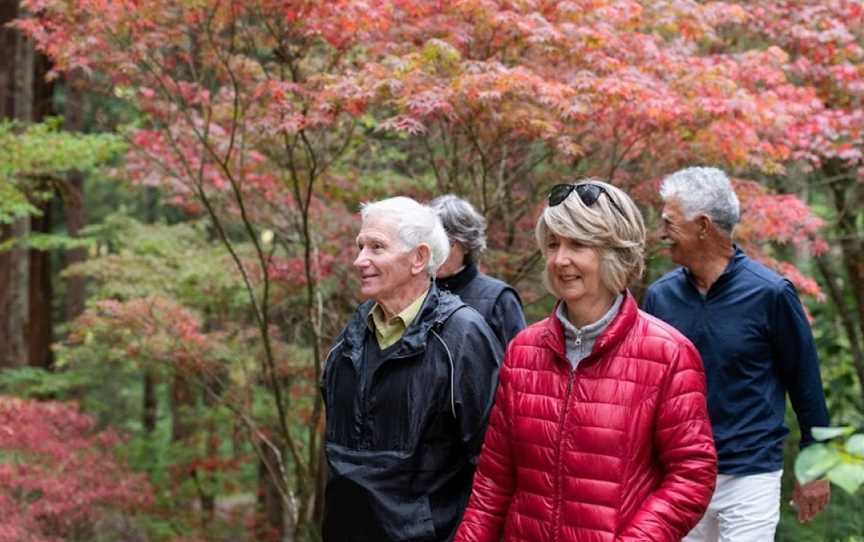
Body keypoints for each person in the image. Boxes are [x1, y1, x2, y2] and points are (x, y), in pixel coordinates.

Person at [454, 180, 717, 542]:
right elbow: (494, 480)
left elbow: (692, 475)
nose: (560, 259)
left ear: (614, 251)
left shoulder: (668, 354)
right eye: (553, 244)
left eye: (577, 244)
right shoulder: (523, 351)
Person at [643, 167, 831, 541]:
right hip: (679, 475)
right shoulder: (659, 297)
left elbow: (805, 382)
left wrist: (815, 466)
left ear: (702, 225)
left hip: (750, 475)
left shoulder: (771, 294)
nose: (662, 233)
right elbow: (646, 390)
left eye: (669, 222)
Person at [320, 196, 503, 542]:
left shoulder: (462, 337)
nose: (360, 260)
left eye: (377, 247)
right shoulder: (348, 340)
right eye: (360, 246)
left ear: (419, 258)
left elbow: (493, 467)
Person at [430, 194, 527, 348]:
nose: (437, 251)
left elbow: (519, 363)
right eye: (432, 242)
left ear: (467, 243)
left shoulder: (499, 299)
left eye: (447, 242)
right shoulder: (415, 294)